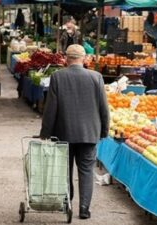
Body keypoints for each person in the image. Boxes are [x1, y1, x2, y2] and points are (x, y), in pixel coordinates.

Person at [40, 44, 110, 219]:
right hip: (89, 133)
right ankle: (84, 208)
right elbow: (104, 108)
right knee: (86, 171)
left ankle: (67, 203)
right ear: (84, 58)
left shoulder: (57, 76)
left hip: (63, 132)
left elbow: (51, 108)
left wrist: (46, 132)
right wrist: (104, 131)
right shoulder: (97, 77)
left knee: (65, 169)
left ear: (66, 59)